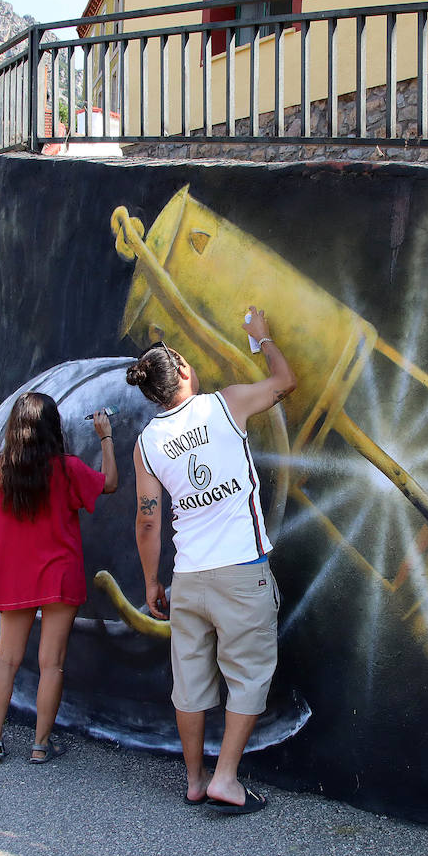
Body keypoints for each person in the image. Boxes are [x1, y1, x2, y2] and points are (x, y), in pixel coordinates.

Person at [126, 307, 297, 815]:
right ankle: (226, 778)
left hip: (189, 579)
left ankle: (196, 779)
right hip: (242, 571)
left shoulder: (146, 444)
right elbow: (286, 382)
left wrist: (151, 582)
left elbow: (148, 521)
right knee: (248, 675)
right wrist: (261, 339)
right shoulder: (225, 405)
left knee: (191, 683)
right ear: (181, 370)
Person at [0, 393, 118, 764]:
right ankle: (40, 745)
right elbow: (110, 483)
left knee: (7, 660)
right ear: (53, 426)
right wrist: (105, 437)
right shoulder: (66, 468)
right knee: (52, 663)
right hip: (58, 576)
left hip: (11, 576)